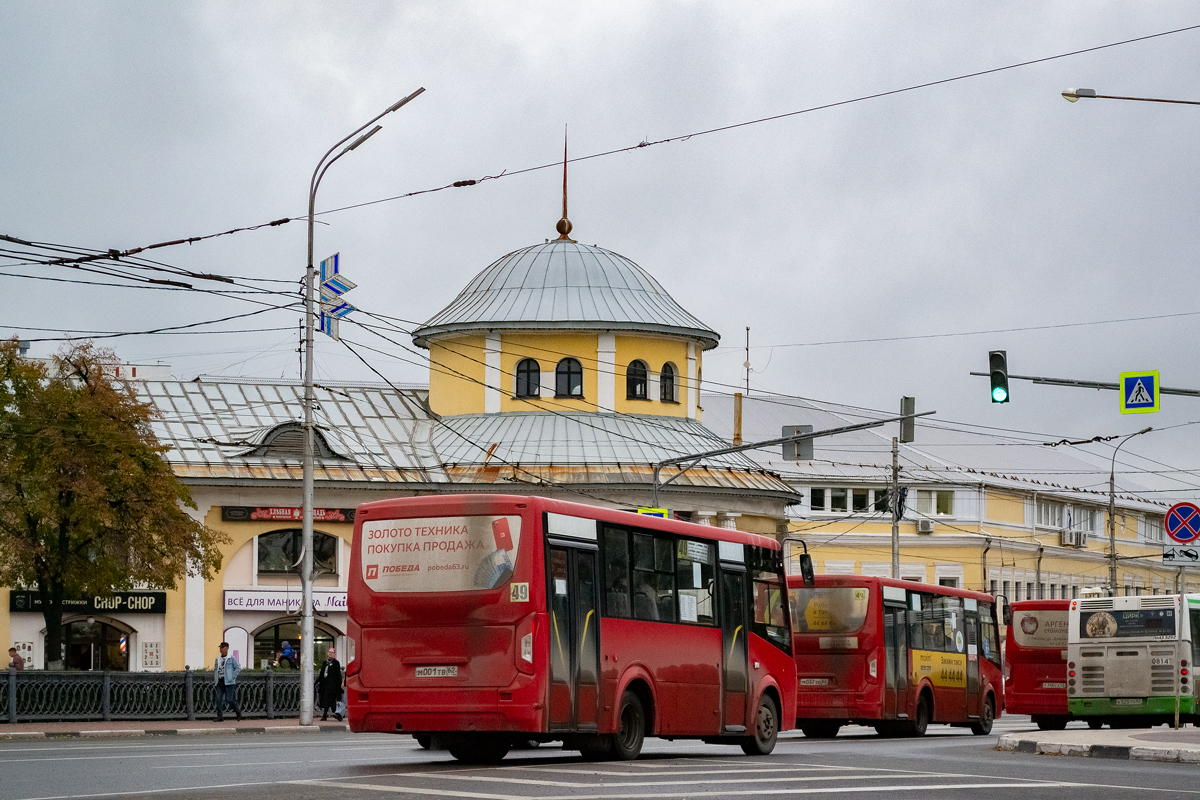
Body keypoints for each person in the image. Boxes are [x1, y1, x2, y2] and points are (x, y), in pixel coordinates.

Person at [213, 642, 242, 722]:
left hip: (229, 682)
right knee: (218, 699)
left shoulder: (231, 658)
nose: (221, 649)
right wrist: (216, 679)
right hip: (220, 681)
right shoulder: (217, 659)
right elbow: (216, 670)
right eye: (220, 648)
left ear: (227, 648)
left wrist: (232, 677)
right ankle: (220, 716)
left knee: (229, 699)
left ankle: (237, 710)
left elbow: (237, 668)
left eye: (222, 648)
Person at [315, 647, 343, 721]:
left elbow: (338, 674)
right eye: (329, 652)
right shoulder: (325, 662)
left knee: (332, 700)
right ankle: (328, 715)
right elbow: (321, 674)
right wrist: (316, 682)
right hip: (325, 684)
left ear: (334, 654)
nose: (330, 653)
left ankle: (334, 714)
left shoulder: (336, 663)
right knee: (325, 700)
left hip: (332, 685)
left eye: (332, 652)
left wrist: (340, 684)